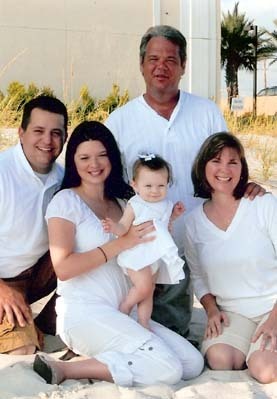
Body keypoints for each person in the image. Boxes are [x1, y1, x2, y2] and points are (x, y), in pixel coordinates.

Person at [33, 120, 204, 386]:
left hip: (125, 311)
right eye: (85, 157)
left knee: (192, 364)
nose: (95, 164)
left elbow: (150, 240)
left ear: (112, 158)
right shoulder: (65, 202)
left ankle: (103, 356)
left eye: (102, 155)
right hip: (85, 313)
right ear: (73, 161)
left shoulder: (125, 202)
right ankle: (65, 369)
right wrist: (121, 243)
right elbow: (63, 267)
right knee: (167, 369)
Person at [104, 24, 228, 336]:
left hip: (188, 241)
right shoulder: (120, 121)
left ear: (183, 66)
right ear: (142, 65)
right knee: (132, 321)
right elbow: (106, 181)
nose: (162, 67)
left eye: (171, 60)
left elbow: (227, 166)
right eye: (154, 59)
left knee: (173, 329)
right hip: (138, 246)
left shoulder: (206, 113)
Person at [183, 132, 277, 384]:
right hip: (234, 313)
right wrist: (212, 311)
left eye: (232, 162)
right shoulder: (193, 223)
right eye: (216, 160)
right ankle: (252, 344)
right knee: (220, 359)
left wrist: (273, 320)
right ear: (203, 166)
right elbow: (199, 277)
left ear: (242, 168)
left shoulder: (262, 204)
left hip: (273, 307)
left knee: (265, 370)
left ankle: (261, 350)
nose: (224, 169)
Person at [0, 95, 68, 355]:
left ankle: (50, 321)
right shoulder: (3, 172)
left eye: (56, 133)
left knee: (94, 243)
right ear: (21, 133)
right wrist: (2, 290)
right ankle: (19, 326)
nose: (47, 142)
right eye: (38, 131)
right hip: (3, 280)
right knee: (25, 349)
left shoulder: (62, 178)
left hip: (37, 275)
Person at [102, 153, 185, 330]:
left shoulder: (166, 204)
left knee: (149, 290)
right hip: (137, 253)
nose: (155, 191)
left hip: (154, 256)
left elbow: (166, 227)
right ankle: (124, 308)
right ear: (135, 185)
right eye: (148, 186)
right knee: (144, 286)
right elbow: (124, 227)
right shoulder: (136, 204)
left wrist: (174, 215)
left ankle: (143, 321)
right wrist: (114, 227)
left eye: (161, 185)